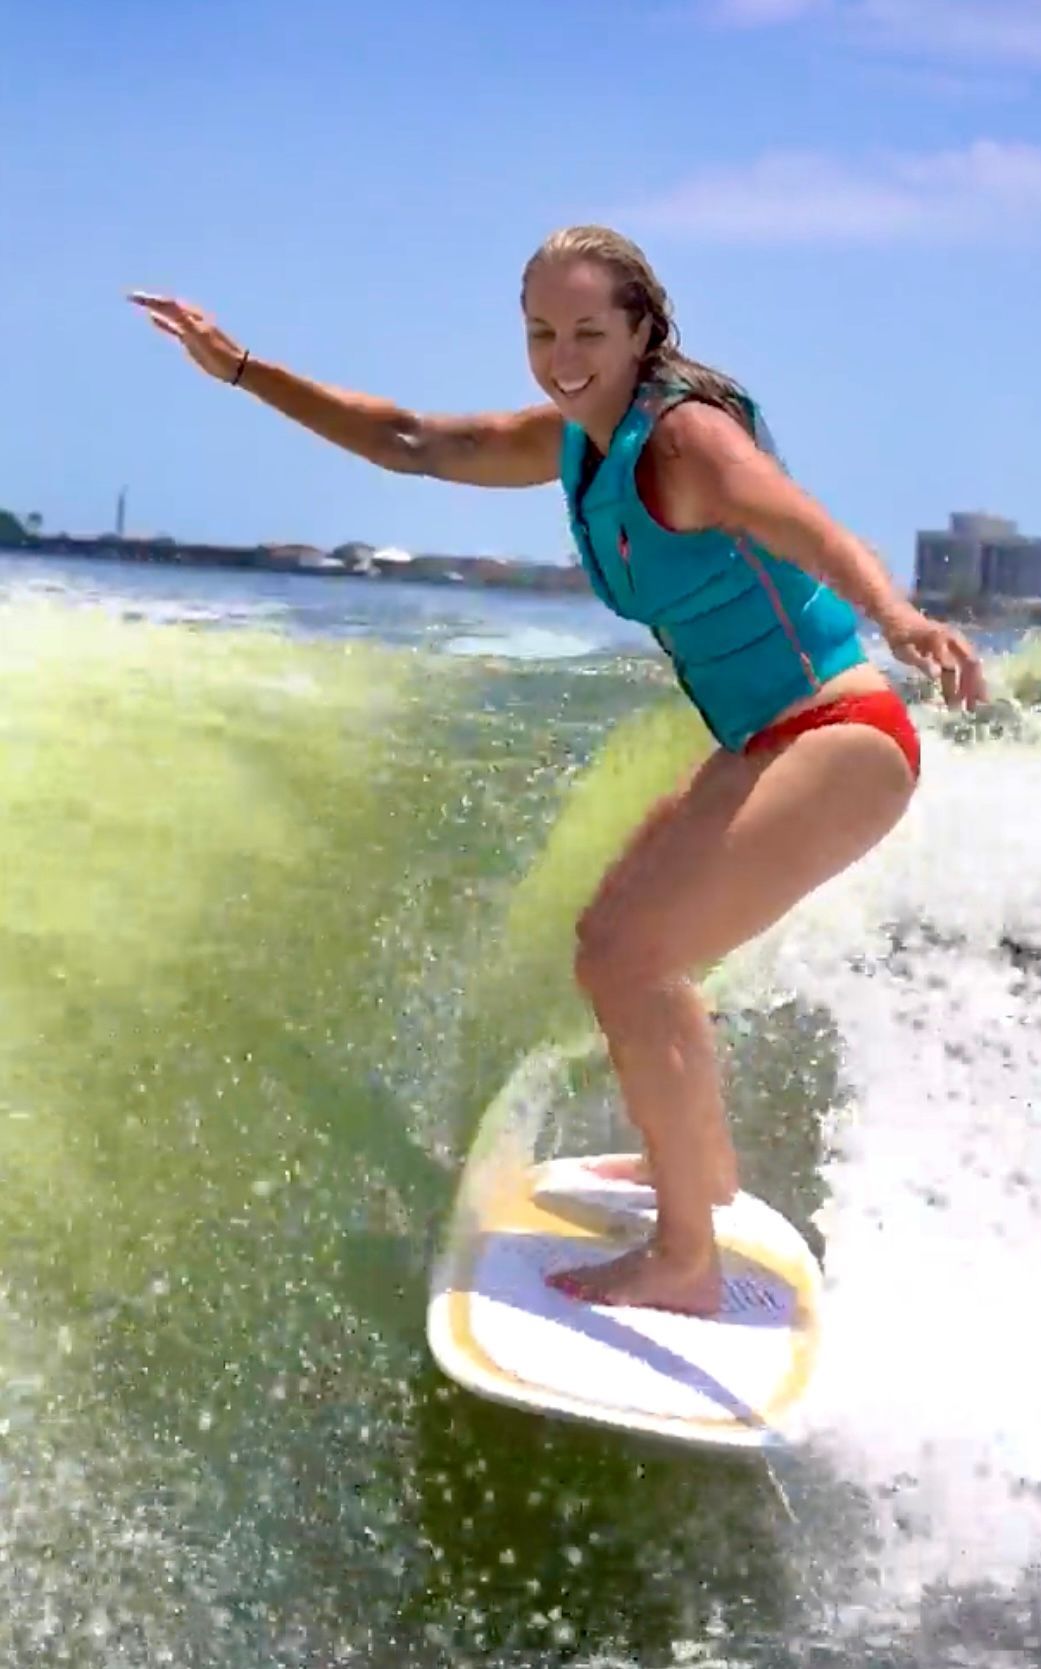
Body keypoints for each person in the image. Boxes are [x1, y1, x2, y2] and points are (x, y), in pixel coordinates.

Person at [130, 224, 985, 1317]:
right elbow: (411, 439)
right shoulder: (580, 439)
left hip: (844, 732)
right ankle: (703, 1174)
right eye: (541, 330)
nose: (561, 350)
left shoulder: (688, 443)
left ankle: (685, 1262)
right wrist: (245, 371)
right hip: (764, 736)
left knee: (635, 957)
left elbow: (809, 529)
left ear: (641, 329)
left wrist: (904, 618)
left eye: (588, 328)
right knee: (612, 945)